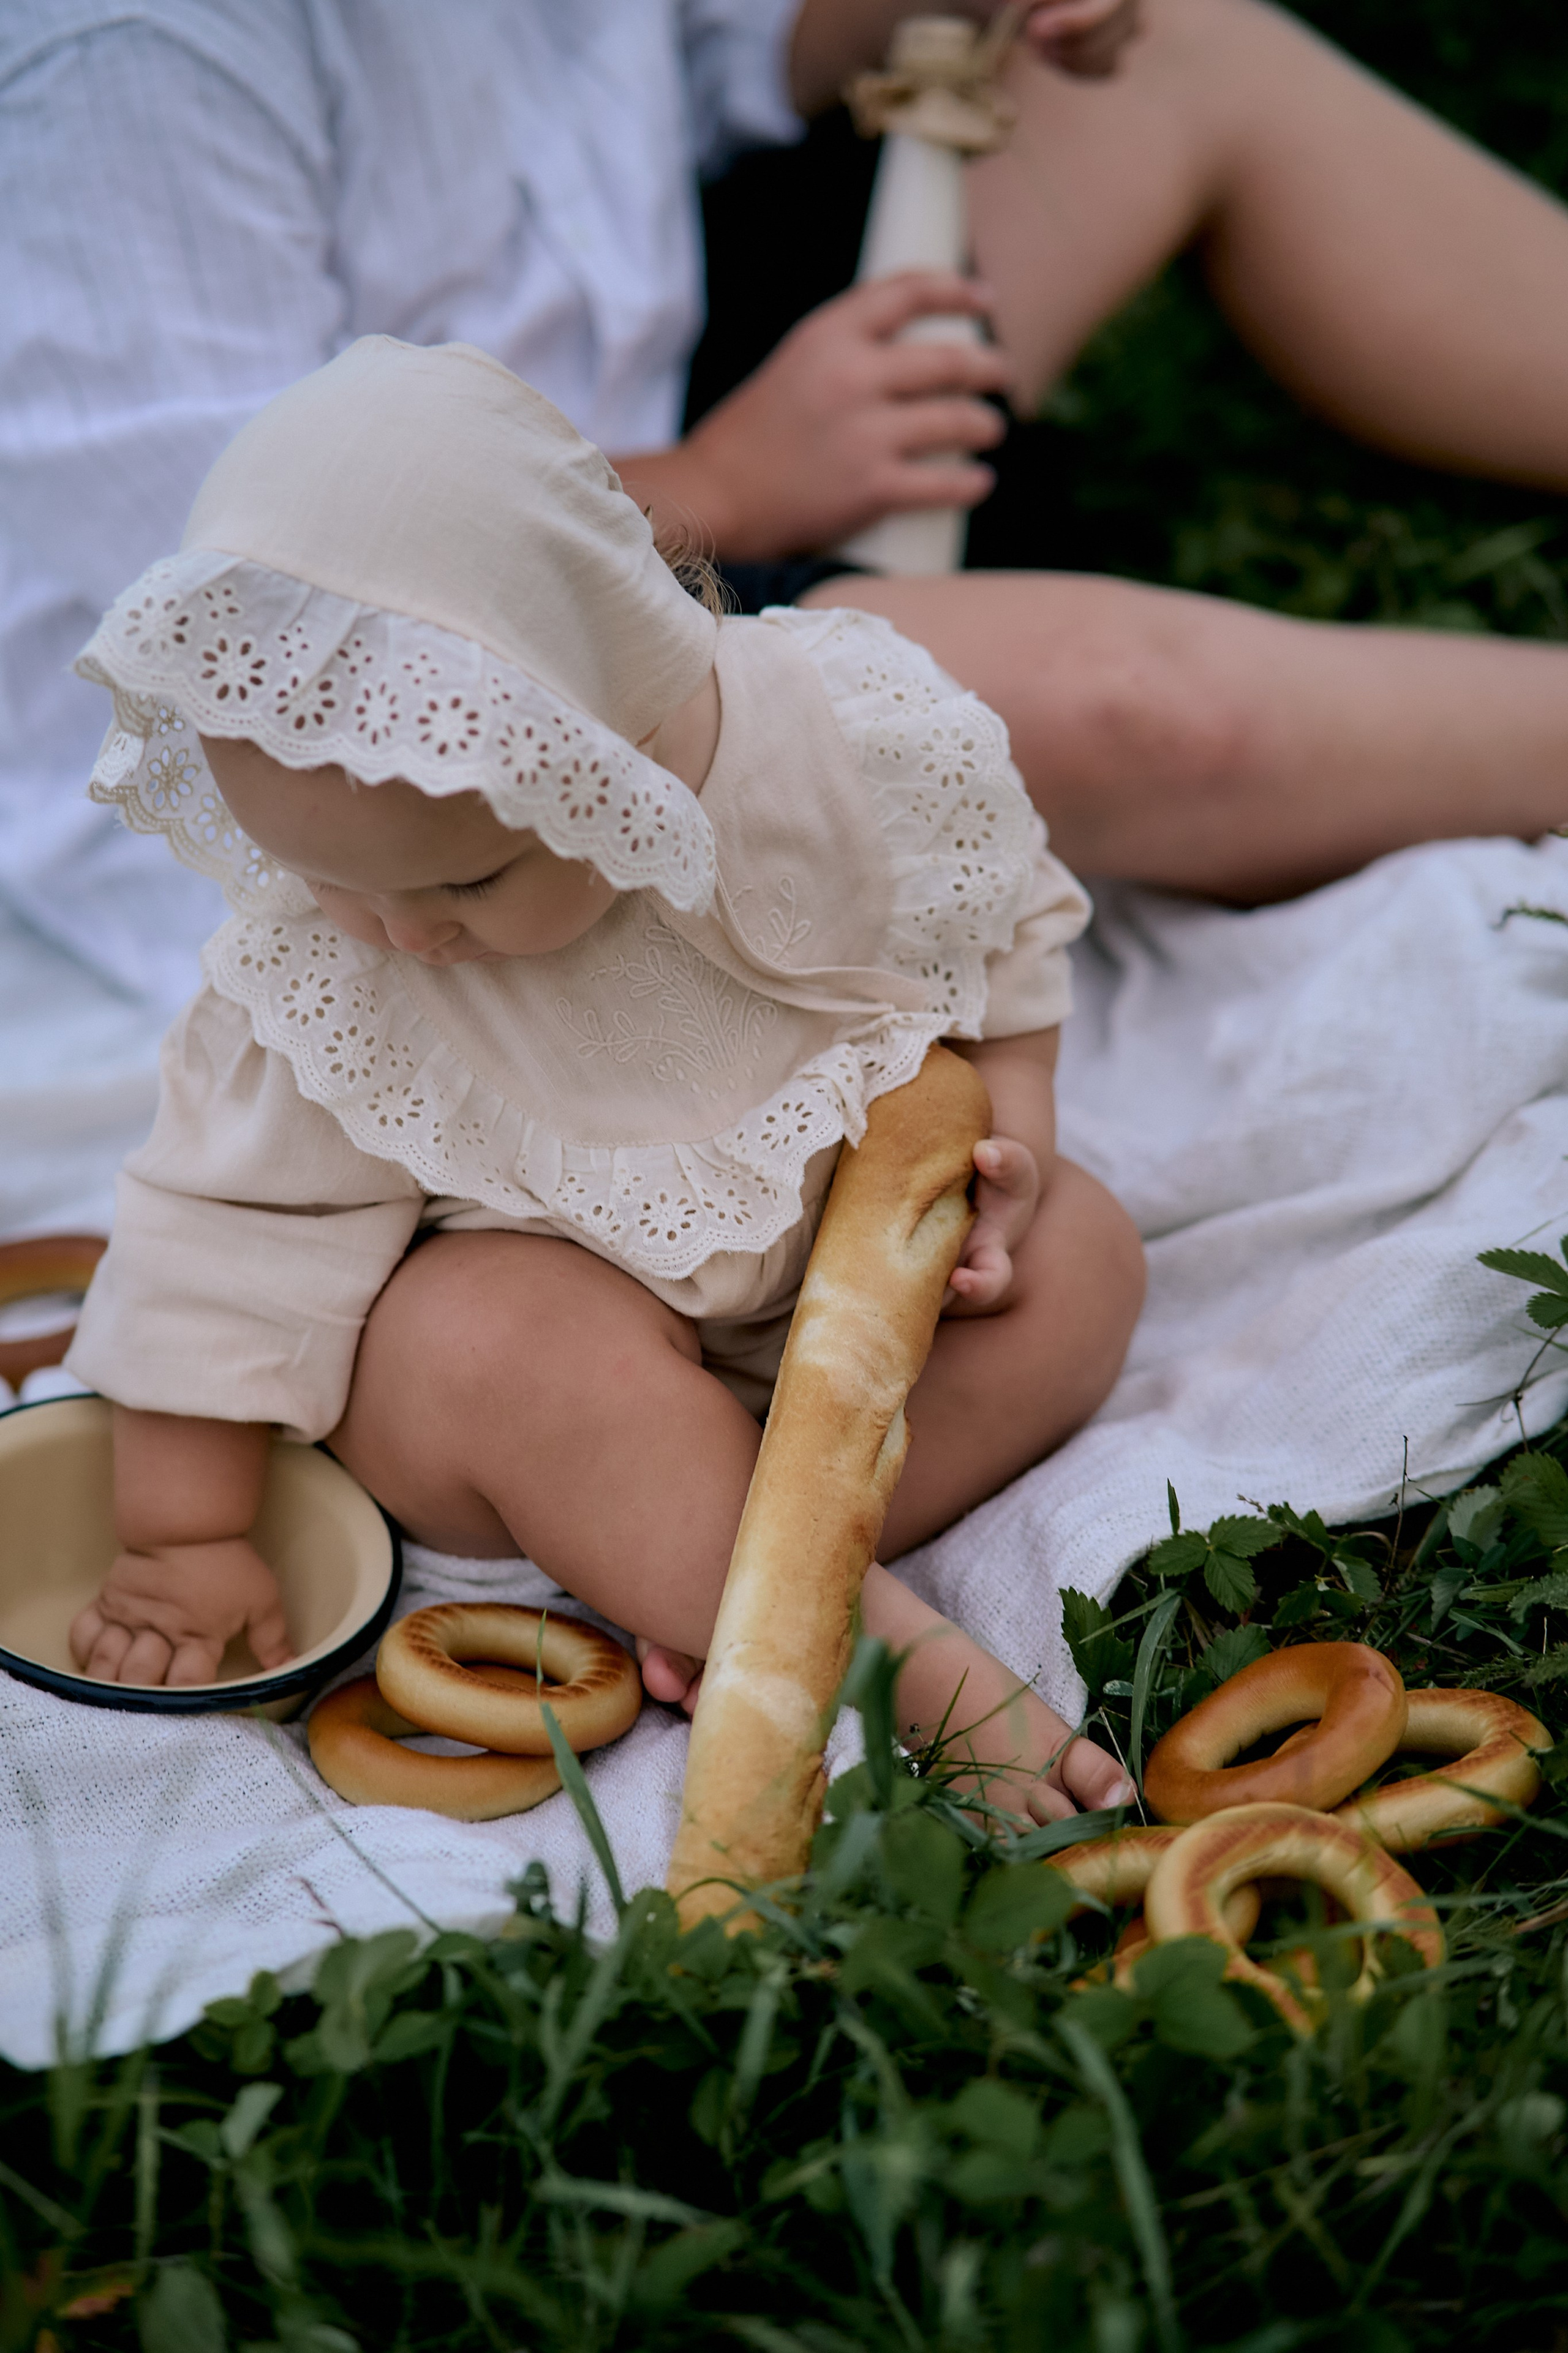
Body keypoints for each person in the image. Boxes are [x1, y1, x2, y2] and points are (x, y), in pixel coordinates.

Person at [8, 0, 1568, 1049]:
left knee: (1184, 47)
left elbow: (717, 50)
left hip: (669, 387)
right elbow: (264, 596)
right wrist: (735, 482)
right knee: (1130, 711)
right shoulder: (124, 57)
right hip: (435, 702)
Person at [61, 338, 1146, 1821]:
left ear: (614, 737)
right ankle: (869, 1647)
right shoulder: (335, 973)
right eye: (325, 881)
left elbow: (1002, 921)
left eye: (464, 878)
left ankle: (687, 1550)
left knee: (1086, 1262)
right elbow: (219, 1249)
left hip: (831, 1318)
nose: (396, 932)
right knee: (490, 1339)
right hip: (546, 1370)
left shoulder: (836, 741)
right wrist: (183, 1537)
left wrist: (1008, 1144)